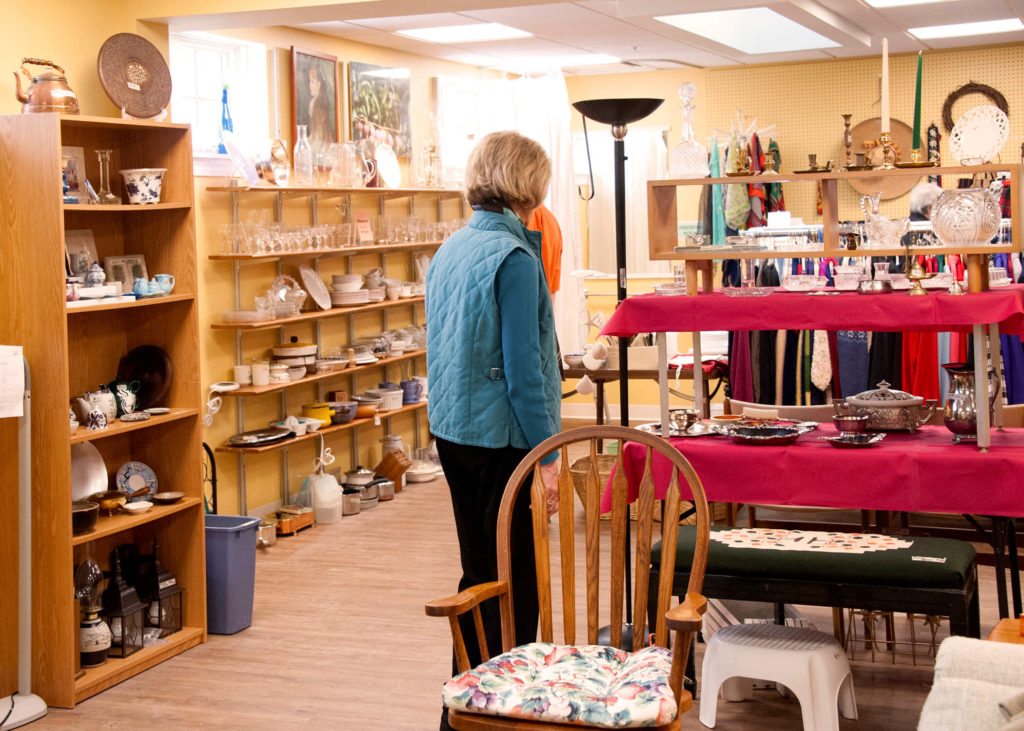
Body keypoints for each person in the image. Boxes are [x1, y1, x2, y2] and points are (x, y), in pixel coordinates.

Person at [426, 131, 561, 728]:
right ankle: (503, 709)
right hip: (503, 441)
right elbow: (525, 375)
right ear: (526, 184)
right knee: (516, 582)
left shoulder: (451, 248)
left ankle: (462, 706)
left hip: (454, 431)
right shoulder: (515, 259)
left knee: (478, 573)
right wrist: (549, 457)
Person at [306, 65, 334, 161]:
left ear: (319, 84)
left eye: (312, 82)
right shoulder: (317, 102)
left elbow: (318, 133)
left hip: (320, 148)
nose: (310, 85)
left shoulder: (315, 104)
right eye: (310, 81)